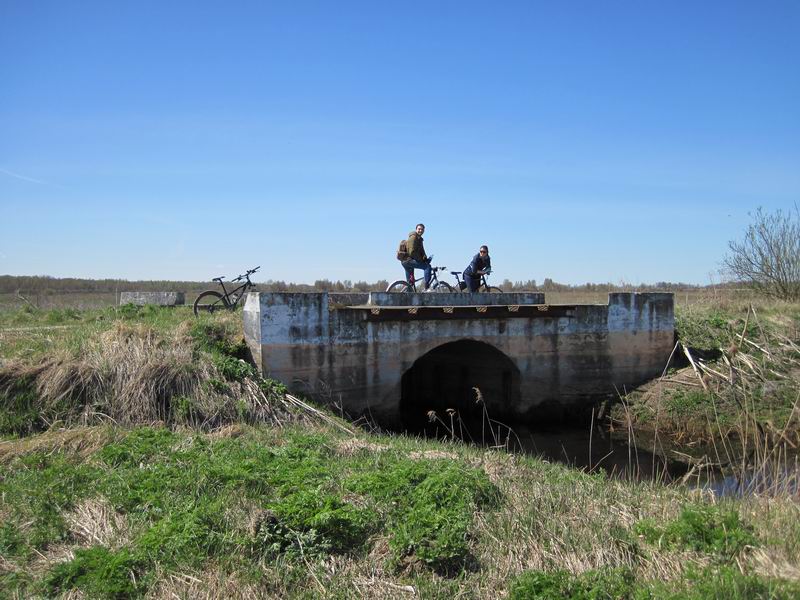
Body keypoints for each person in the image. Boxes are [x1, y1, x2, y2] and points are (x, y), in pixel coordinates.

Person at [402, 223, 432, 290]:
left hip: (405, 261)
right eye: (419, 229)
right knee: (427, 267)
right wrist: (421, 261)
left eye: (422, 229)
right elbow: (412, 252)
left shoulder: (419, 239)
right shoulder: (414, 237)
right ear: (416, 229)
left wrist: (425, 259)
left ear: (424, 231)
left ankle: (409, 295)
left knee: (410, 283)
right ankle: (427, 287)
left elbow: (421, 252)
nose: (420, 230)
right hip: (408, 261)